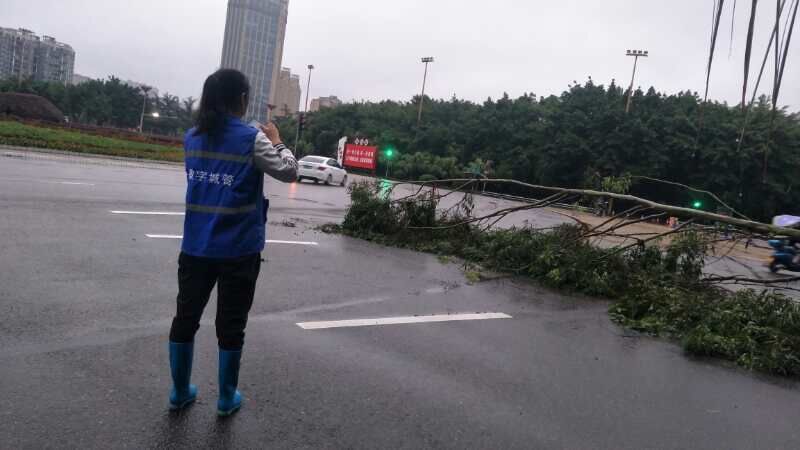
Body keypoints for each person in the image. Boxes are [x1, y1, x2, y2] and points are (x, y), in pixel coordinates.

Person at [167, 69, 298, 417]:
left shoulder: (192, 137)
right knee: (231, 323)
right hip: (239, 248)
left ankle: (180, 393)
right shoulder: (251, 139)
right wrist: (277, 140)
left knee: (186, 317)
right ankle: (226, 398)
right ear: (241, 99)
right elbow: (289, 171)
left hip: (195, 246)